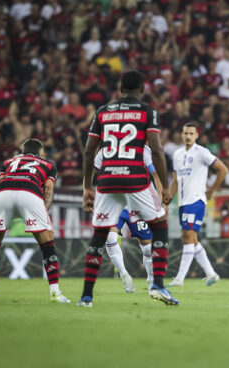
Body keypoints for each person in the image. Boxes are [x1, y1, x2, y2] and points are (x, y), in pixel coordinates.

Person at [78, 70, 177, 307]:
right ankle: (158, 285)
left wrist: (87, 186)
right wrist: (164, 186)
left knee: (100, 235)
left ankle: (86, 297)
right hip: (135, 179)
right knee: (160, 225)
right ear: (142, 89)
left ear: (120, 88)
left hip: (108, 180)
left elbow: (89, 151)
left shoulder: (102, 112)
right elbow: (156, 150)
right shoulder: (147, 112)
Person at [0, 138, 70, 303]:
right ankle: (55, 292)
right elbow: (48, 189)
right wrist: (43, 210)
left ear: (23, 151)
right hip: (29, 192)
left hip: (2, 193)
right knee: (47, 245)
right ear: (41, 152)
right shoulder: (48, 164)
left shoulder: (8, 162)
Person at [167, 122, 228, 287]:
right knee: (190, 238)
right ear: (181, 134)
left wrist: (211, 190)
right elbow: (175, 179)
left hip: (196, 200)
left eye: (191, 133)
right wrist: (168, 199)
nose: (187, 136)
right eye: (185, 133)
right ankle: (211, 273)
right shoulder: (177, 154)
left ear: (196, 136)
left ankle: (180, 279)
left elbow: (223, 169)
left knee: (187, 236)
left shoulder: (202, 152)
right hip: (182, 202)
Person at [93, 145, 160, 293]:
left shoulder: (142, 148)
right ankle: (124, 275)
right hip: (115, 202)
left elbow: (155, 174)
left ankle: (150, 278)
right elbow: (93, 170)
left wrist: (160, 197)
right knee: (110, 238)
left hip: (137, 202)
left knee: (147, 246)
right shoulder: (105, 150)